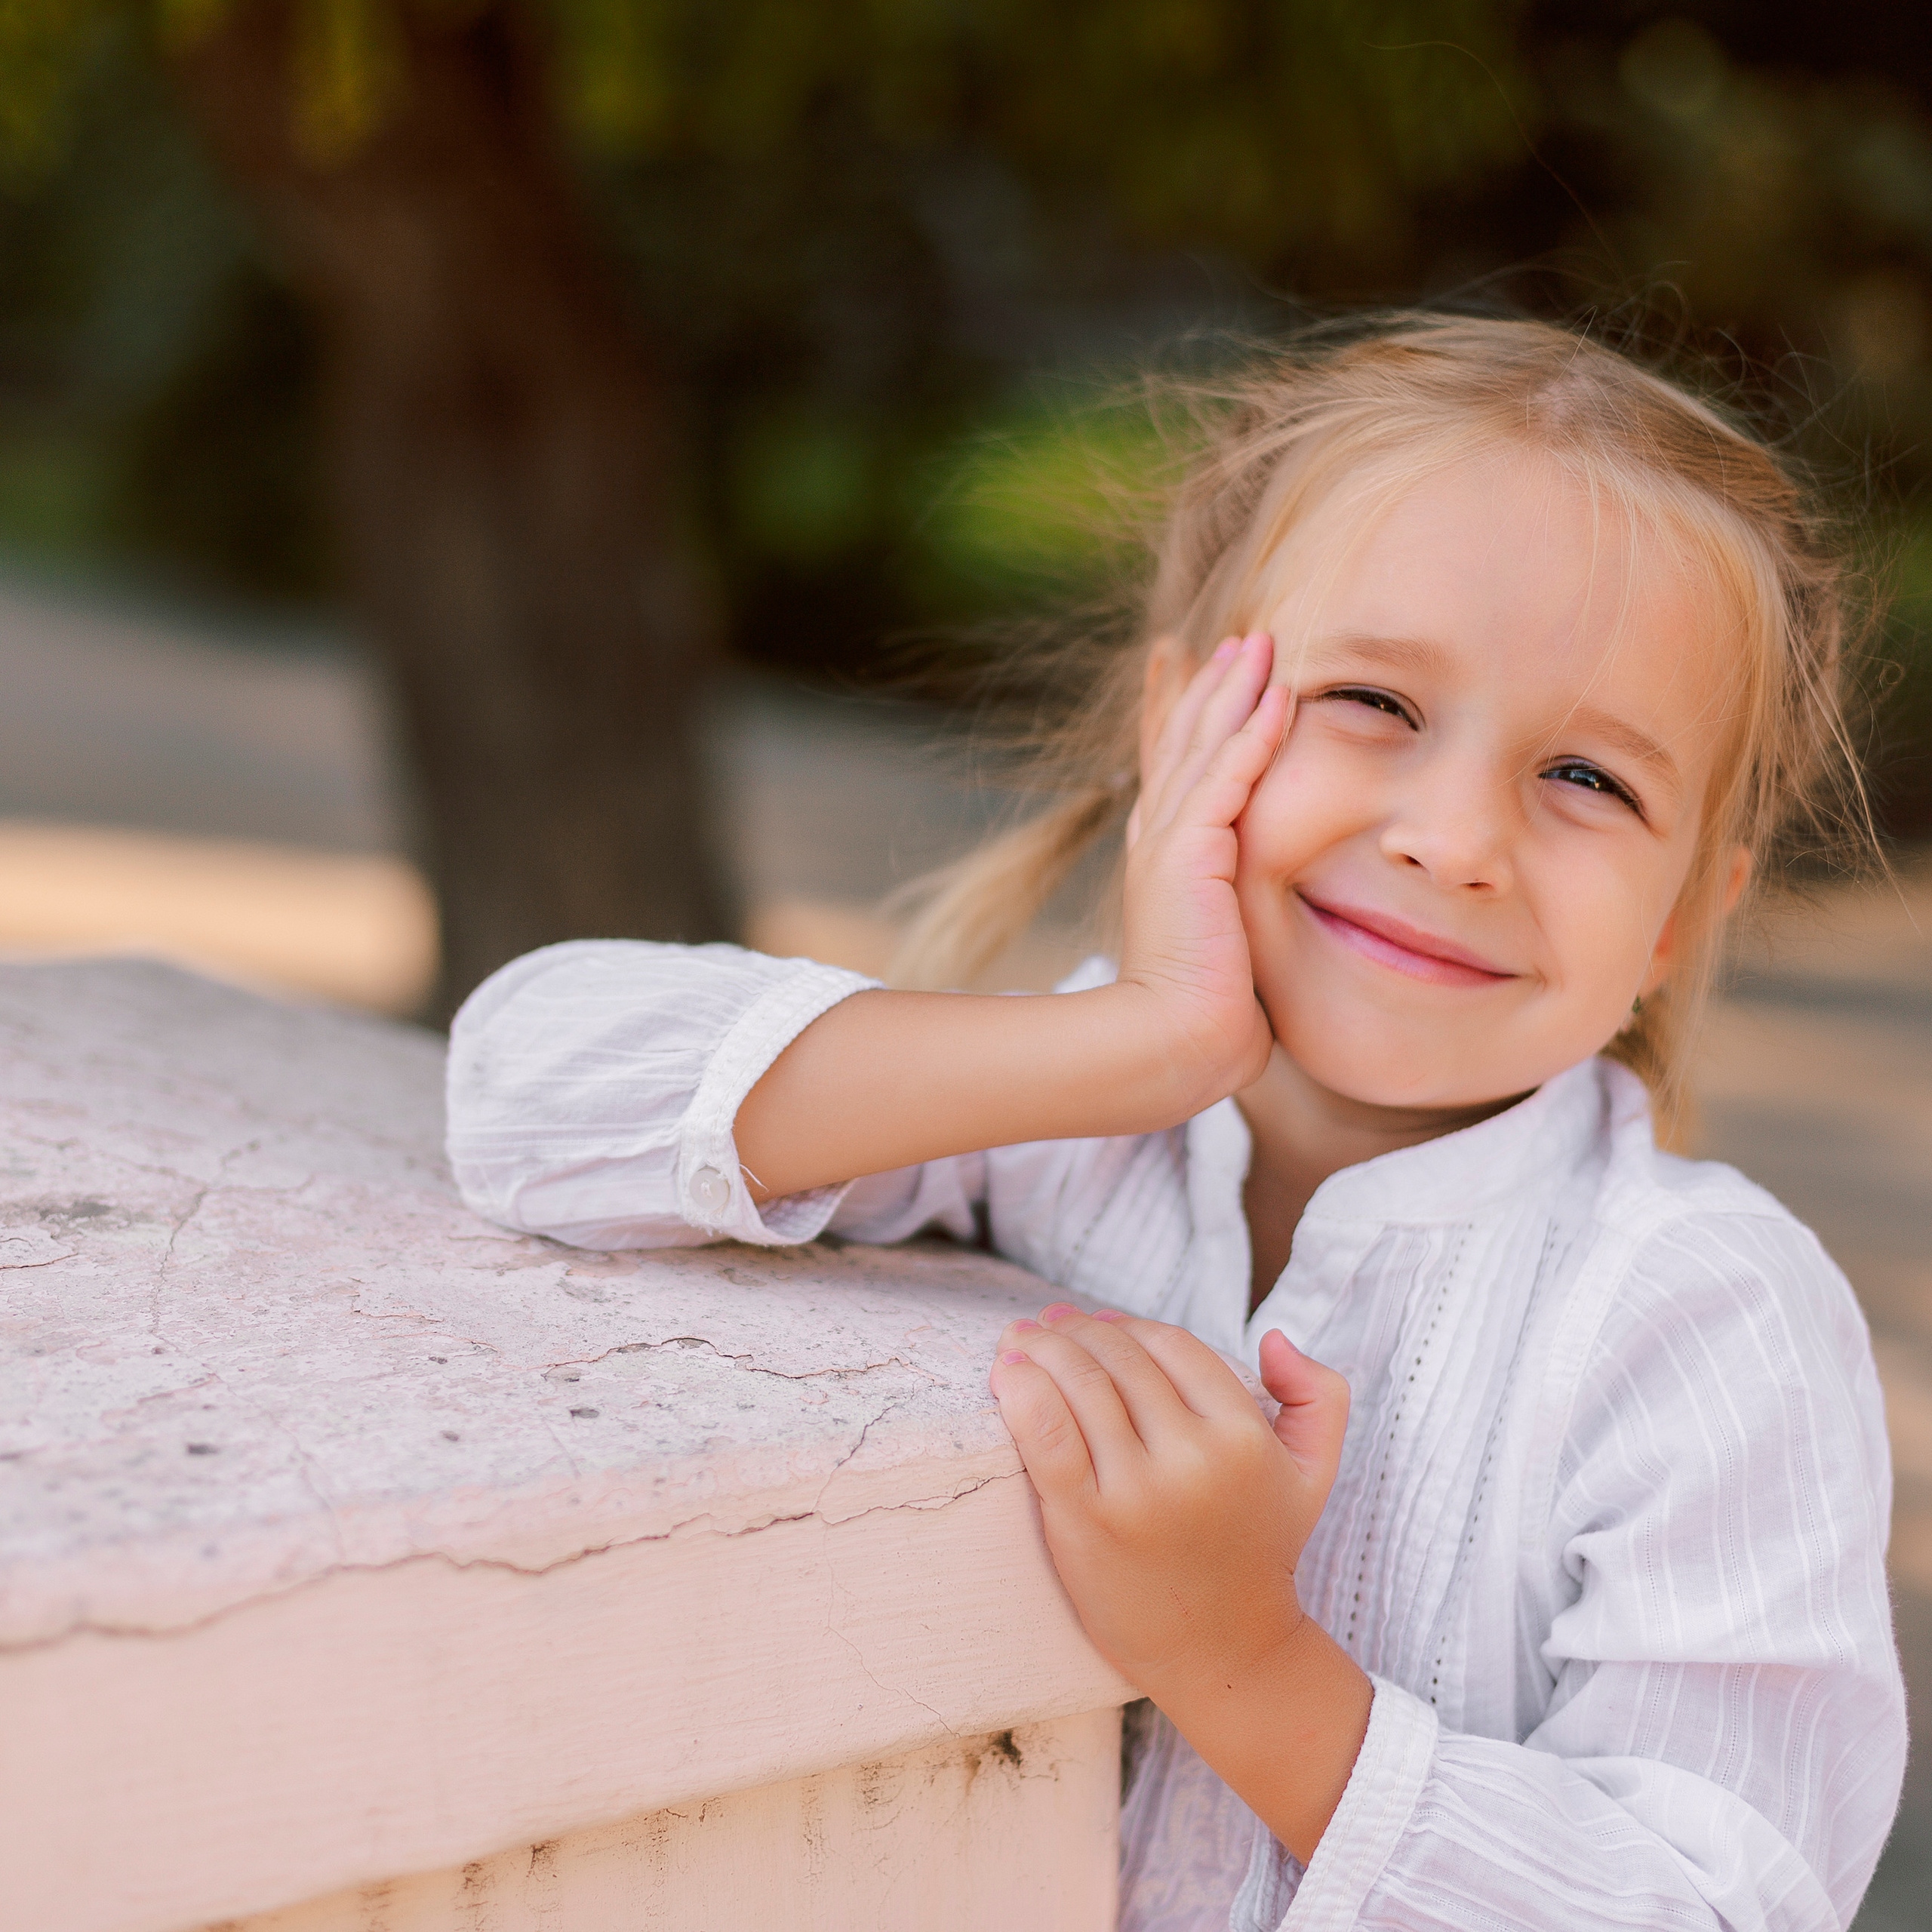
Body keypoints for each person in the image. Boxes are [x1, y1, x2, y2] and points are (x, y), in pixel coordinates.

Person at [445, 315, 1906, 1931]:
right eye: (1371, 699)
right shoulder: (1061, 1113)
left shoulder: (1702, 1323)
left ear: (1687, 908)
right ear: (1179, 729)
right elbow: (527, 1088)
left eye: (1584, 777)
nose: (1454, 837)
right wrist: (1131, 1039)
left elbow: (1718, 1905)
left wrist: (1238, 1658)